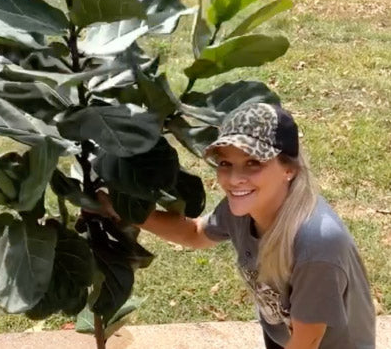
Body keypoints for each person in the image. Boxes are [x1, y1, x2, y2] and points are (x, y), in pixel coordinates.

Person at [132, 102, 376, 349]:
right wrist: (120, 209)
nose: (235, 179)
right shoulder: (243, 209)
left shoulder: (317, 241)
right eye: (225, 163)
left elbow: (307, 341)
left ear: (289, 169)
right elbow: (195, 233)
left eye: (253, 163)